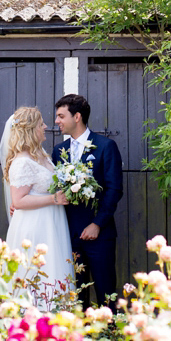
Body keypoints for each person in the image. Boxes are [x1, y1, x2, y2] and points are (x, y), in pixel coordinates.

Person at [0, 106, 76, 309]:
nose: (45, 126)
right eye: (40, 123)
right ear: (30, 129)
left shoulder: (40, 154)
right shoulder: (22, 162)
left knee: (54, 271)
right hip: (35, 227)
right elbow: (19, 201)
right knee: (38, 274)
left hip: (52, 223)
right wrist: (54, 199)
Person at [53, 93, 123, 307]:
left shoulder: (105, 146)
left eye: (61, 116)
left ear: (77, 117)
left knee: (106, 291)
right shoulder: (58, 152)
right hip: (69, 235)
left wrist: (97, 224)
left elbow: (114, 189)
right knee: (75, 295)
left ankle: (111, 337)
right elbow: (54, 189)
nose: (57, 121)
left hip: (99, 235)